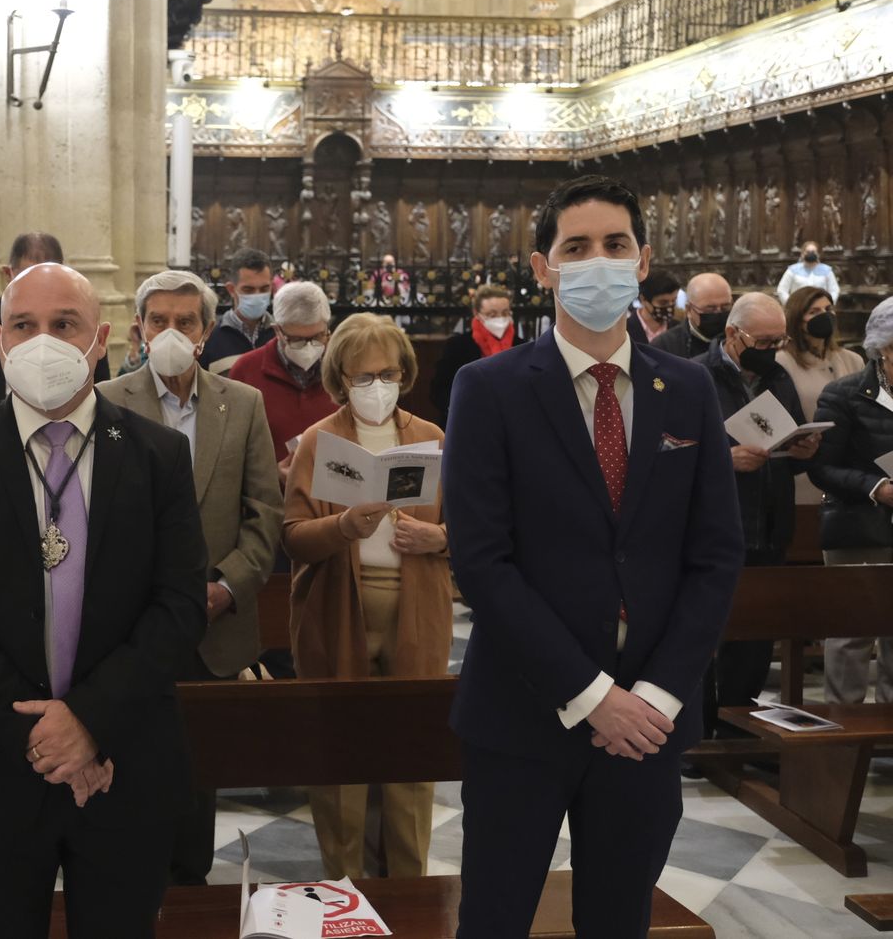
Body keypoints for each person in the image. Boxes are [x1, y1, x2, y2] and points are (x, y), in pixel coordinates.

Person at [442, 175, 743, 938]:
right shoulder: (489, 388)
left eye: (616, 244)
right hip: (523, 710)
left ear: (642, 261)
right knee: (495, 920)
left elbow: (715, 556)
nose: (598, 261)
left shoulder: (688, 389)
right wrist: (591, 695)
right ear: (543, 268)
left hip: (648, 721)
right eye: (576, 248)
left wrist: (658, 697)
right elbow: (481, 561)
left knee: (619, 920)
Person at [0, 262, 207, 938]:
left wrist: (90, 721)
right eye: (24, 325)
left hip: (123, 762)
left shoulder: (157, 455)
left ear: (100, 340)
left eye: (64, 324)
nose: (43, 341)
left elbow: (180, 604)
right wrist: (44, 738)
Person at [97, 269, 282, 885]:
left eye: (185, 321)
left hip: (213, 628)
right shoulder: (107, 401)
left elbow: (264, 513)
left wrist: (226, 586)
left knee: (196, 782)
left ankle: (189, 893)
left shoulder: (243, 403)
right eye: (159, 320)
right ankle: (125, 891)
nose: (171, 331)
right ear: (139, 329)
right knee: (123, 773)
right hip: (128, 628)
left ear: (205, 331)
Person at [282, 313, 452, 883]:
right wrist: (342, 527)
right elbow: (293, 537)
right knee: (341, 756)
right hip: (337, 611)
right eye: (362, 377)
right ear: (340, 380)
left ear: (404, 374)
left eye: (387, 374)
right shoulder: (319, 441)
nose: (376, 387)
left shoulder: (431, 438)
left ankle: (408, 887)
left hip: (416, 608)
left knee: (412, 755)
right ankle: (344, 885)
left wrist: (437, 538)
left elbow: (474, 528)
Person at [694, 292, 818, 739]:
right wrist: (724, 460)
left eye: (779, 341)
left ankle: (737, 727)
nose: (773, 350)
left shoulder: (777, 377)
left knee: (756, 637)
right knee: (704, 634)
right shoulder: (695, 376)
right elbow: (667, 454)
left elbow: (786, 442)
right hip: (714, 528)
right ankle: (699, 730)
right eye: (764, 342)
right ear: (733, 334)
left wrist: (802, 451)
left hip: (769, 524)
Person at [0, 232, 110, 430]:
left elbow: (101, 406)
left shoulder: (84, 326)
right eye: (22, 326)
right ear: (8, 274)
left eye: (62, 326)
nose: (39, 288)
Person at [809, 297, 893, 704]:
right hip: (858, 528)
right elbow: (821, 467)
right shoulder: (843, 394)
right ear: (885, 347)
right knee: (851, 636)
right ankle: (843, 731)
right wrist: (876, 487)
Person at [228, 281, 336, 475]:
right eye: (297, 340)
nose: (309, 348)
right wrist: (272, 474)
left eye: (318, 337)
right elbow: (233, 449)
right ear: (277, 330)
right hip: (270, 490)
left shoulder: (341, 367)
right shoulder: (245, 371)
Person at [777, 287, 863, 507]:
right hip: (804, 471)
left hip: (849, 471)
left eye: (828, 309)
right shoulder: (782, 362)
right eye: (814, 312)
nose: (825, 315)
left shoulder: (852, 360)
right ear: (797, 320)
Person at [430, 283, 522, 422]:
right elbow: (439, 390)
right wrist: (461, 410)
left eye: (505, 313)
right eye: (492, 314)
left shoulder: (521, 346)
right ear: (477, 313)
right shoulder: (458, 346)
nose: (500, 319)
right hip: (468, 419)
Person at [199, 247, 275, 373]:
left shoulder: (281, 336)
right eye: (248, 290)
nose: (257, 295)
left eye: (264, 289)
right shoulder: (209, 339)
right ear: (231, 289)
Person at [653, 272, 733, 360]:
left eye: (725, 307)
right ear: (689, 310)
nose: (718, 313)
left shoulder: (737, 339)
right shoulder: (664, 346)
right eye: (710, 309)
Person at [627, 270, 680, 345]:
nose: (669, 306)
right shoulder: (624, 331)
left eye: (674, 301)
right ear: (643, 299)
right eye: (663, 302)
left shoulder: (680, 329)